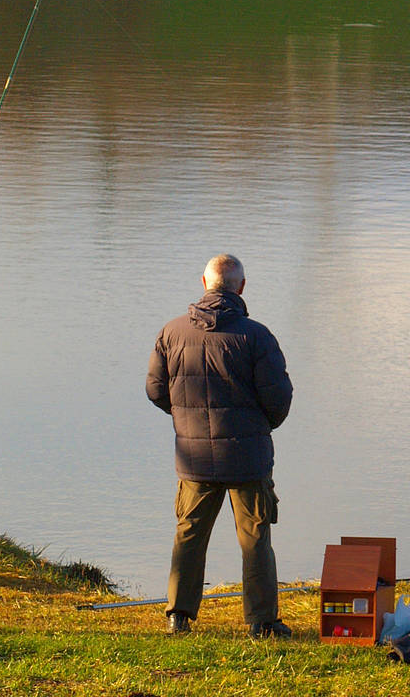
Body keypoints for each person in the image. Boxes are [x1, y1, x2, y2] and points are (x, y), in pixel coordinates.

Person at [147, 254, 294, 638]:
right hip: (248, 457)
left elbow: (155, 390)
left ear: (204, 282)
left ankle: (178, 615)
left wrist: (187, 420)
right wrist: (262, 426)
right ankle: (262, 622)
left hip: (194, 457)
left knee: (189, 534)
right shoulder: (256, 336)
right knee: (256, 537)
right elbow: (279, 398)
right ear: (241, 287)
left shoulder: (172, 332)